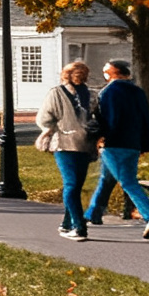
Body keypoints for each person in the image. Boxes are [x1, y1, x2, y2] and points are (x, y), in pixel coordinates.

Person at [89, 59, 149, 239]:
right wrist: (145, 143)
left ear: (114, 73)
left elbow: (106, 120)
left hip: (113, 144)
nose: (104, 73)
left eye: (106, 70)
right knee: (106, 179)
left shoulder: (107, 93)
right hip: (132, 144)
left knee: (128, 182)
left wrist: (101, 138)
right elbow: (146, 119)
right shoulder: (138, 92)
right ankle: (93, 214)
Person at [36, 60, 102, 241]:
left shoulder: (58, 93)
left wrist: (48, 131)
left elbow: (45, 118)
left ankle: (74, 225)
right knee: (74, 185)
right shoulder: (91, 95)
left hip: (67, 143)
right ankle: (72, 224)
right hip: (80, 144)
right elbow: (97, 118)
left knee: (72, 186)